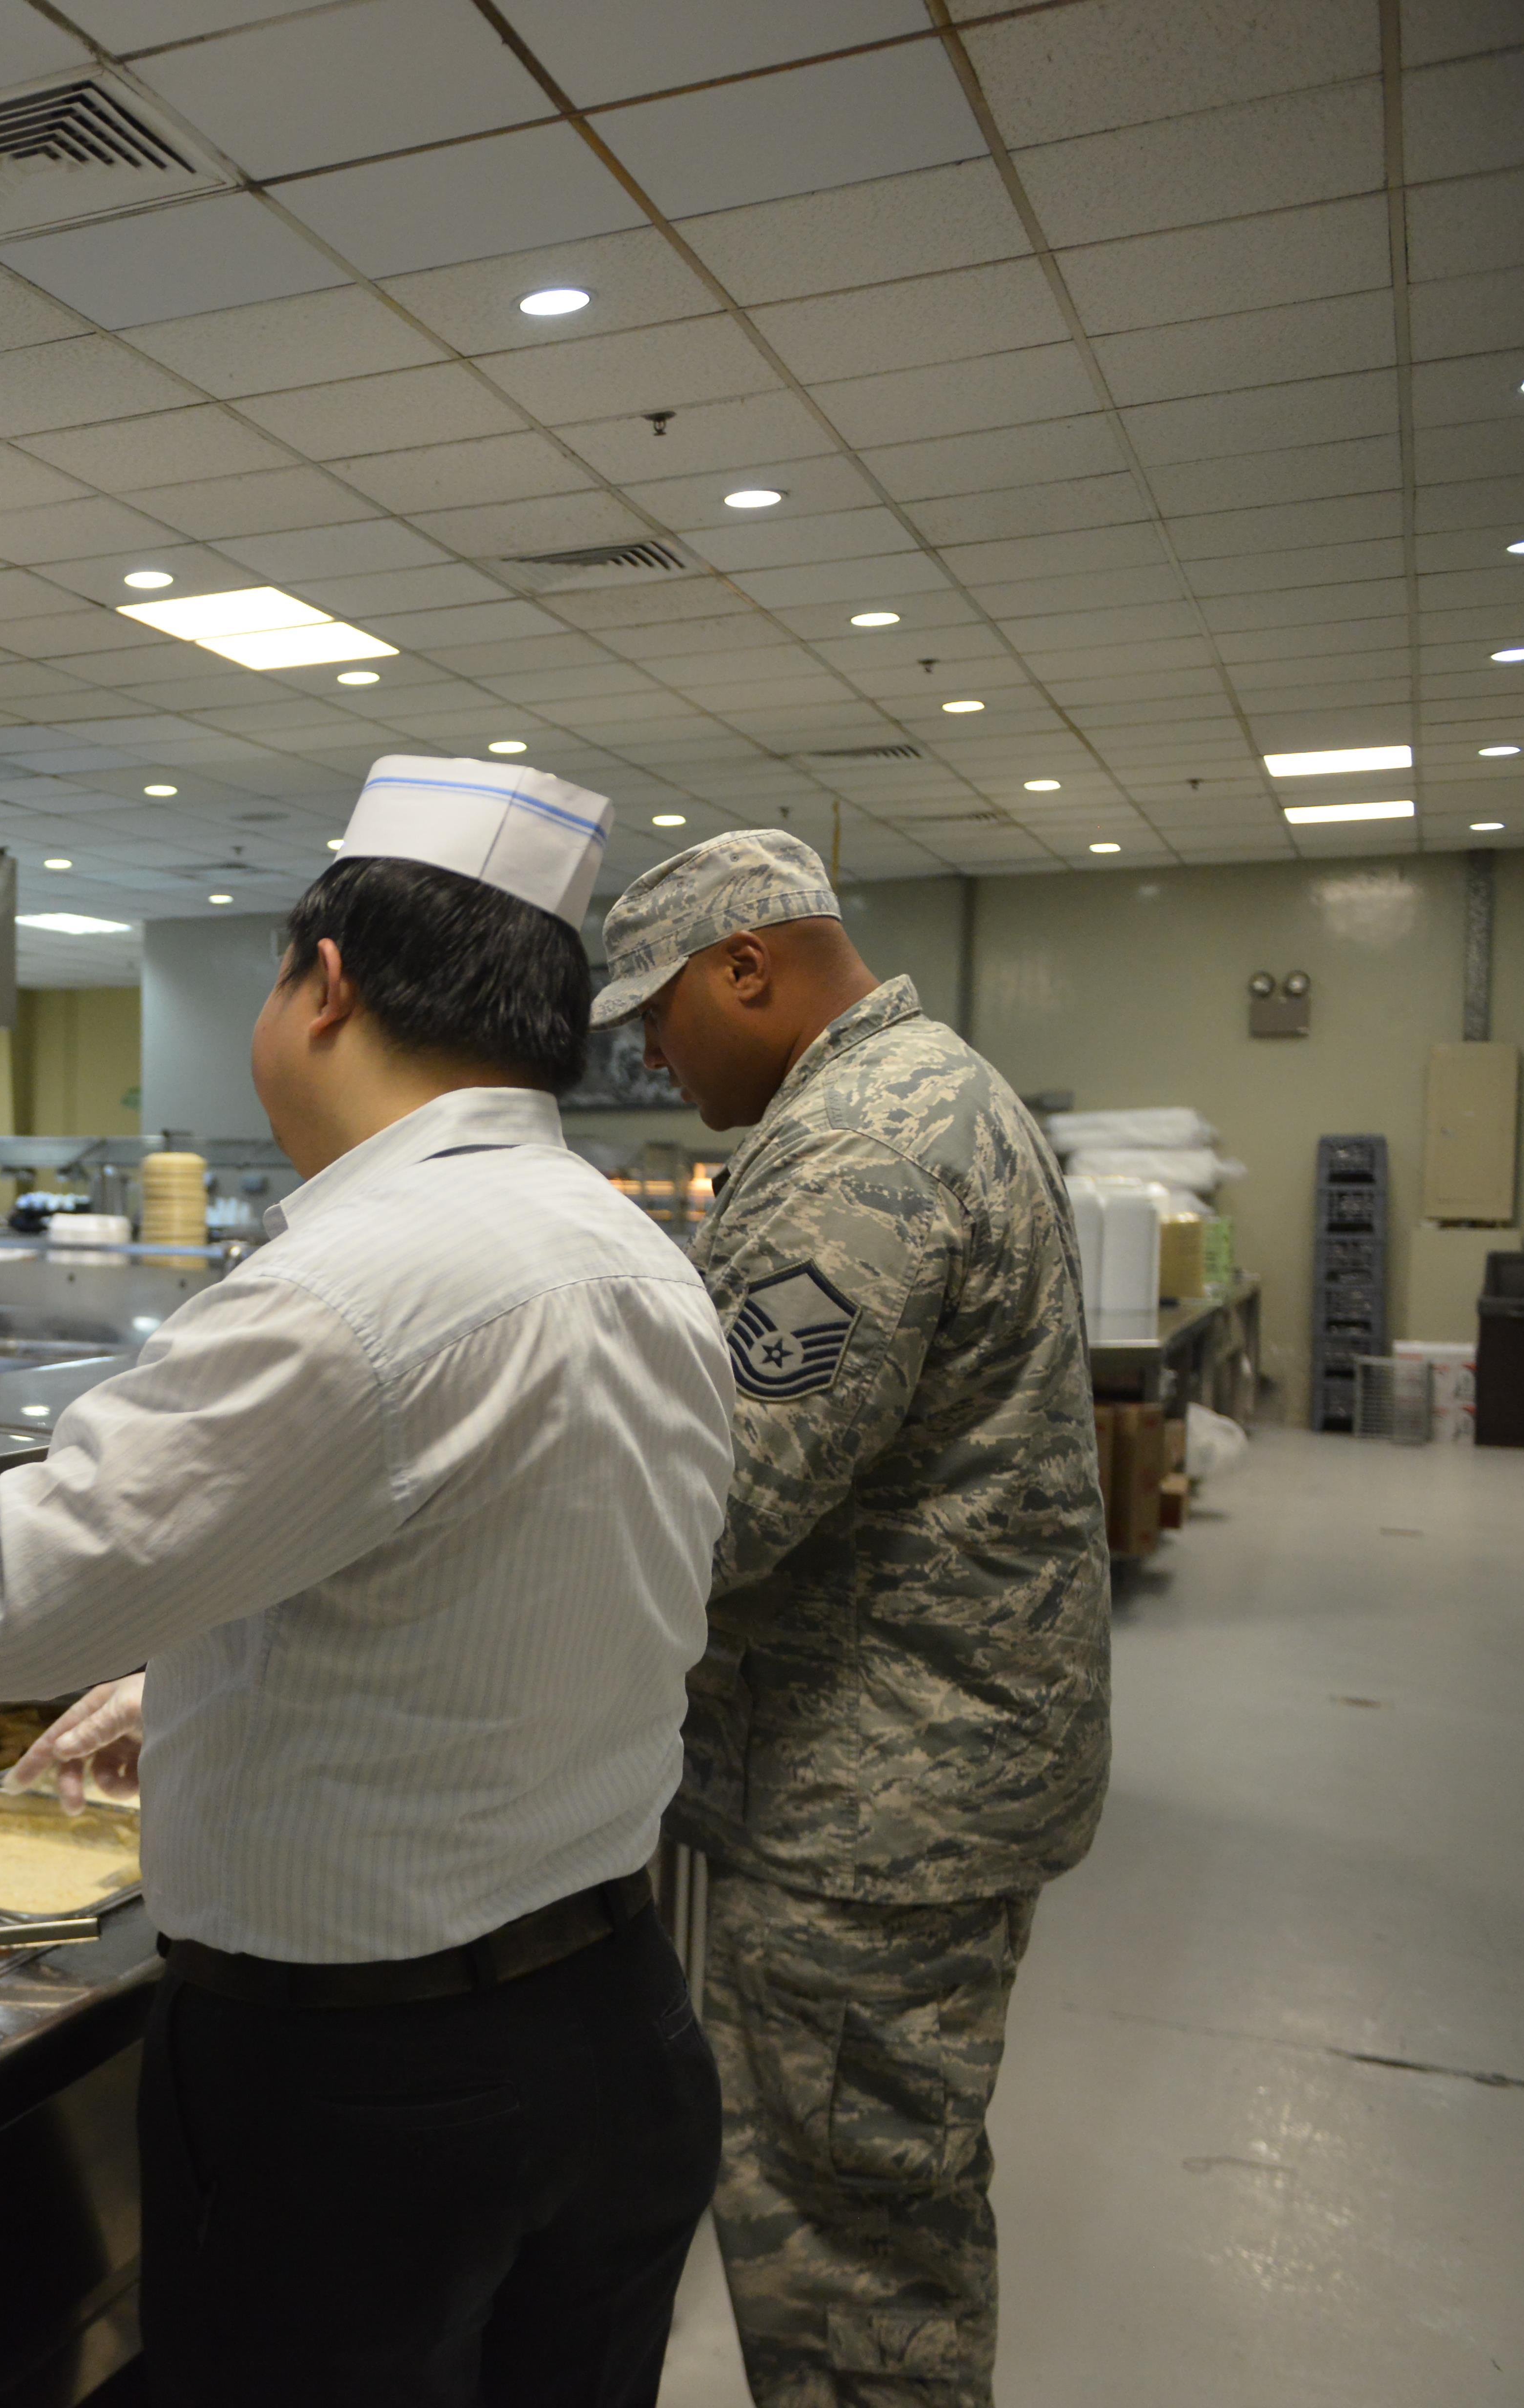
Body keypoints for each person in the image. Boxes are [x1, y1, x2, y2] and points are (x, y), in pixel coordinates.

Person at [0, 760, 737, 2408]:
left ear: (323, 984)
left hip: (374, 2094)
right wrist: (209, 1672)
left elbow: (6, 1596)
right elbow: (504, 1591)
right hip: (614, 2033)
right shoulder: (629, 1250)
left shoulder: (354, 1281)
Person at [599, 831, 1109, 2408]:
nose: (645, 1050)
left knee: (845, 2252)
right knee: (884, 2206)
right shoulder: (926, 1087)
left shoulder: (855, 1152)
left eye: (656, 1010)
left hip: (863, 1806)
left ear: (743, 965)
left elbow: (725, 1498)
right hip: (923, 1766)